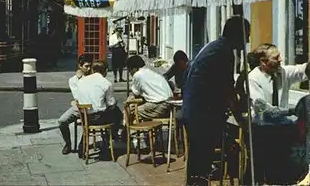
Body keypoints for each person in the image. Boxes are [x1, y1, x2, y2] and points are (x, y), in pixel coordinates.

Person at [182, 15, 250, 186]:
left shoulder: (215, 47)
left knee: (199, 160)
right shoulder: (224, 52)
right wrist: (240, 119)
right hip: (202, 114)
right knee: (201, 161)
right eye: (247, 35)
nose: (248, 40)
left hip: (196, 111)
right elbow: (227, 91)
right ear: (238, 34)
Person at [248, 43, 310, 184]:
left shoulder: (282, 72)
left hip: (283, 127)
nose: (281, 59)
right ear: (263, 62)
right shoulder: (253, 79)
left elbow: (302, 70)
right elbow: (265, 111)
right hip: (264, 129)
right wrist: (292, 111)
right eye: (276, 57)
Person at [75, 60, 123, 138]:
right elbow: (111, 104)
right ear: (106, 71)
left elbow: (77, 98)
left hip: (84, 117)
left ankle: (85, 141)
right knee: (117, 112)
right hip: (99, 119)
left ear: (93, 70)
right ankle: (112, 135)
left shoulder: (81, 81)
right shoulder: (106, 83)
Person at [58, 53, 93, 155]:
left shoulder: (94, 77)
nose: (89, 68)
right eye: (86, 66)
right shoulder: (73, 80)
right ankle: (68, 144)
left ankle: (83, 144)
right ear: (80, 66)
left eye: (90, 66)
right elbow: (77, 96)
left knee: (89, 123)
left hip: (92, 108)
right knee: (62, 121)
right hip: (79, 107)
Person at [126, 55, 173, 120]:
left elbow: (136, 94)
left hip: (159, 105)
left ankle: (124, 128)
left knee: (130, 111)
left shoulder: (137, 75)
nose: (130, 73)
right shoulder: (151, 72)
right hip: (169, 104)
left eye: (129, 70)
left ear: (134, 68)